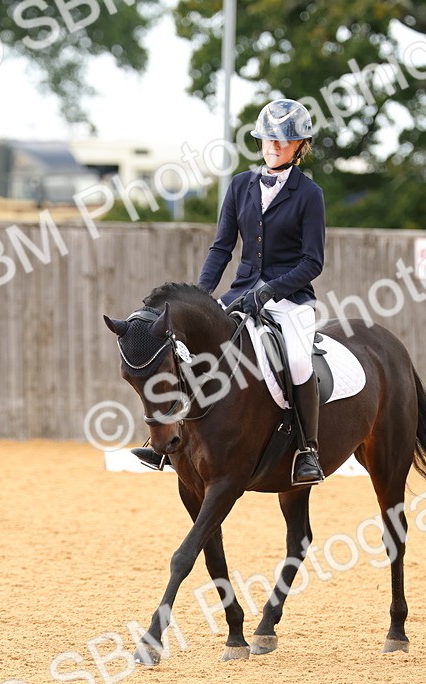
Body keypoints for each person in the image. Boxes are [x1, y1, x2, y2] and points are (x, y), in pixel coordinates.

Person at [135, 98, 326, 485]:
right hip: (239, 293)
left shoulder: (309, 194)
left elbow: (312, 262)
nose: (274, 146)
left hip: (289, 298)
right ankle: (171, 440)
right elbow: (222, 247)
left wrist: (270, 291)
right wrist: (199, 297)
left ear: (299, 146)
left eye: (283, 141)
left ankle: (307, 450)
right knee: (191, 351)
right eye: (268, 139)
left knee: (300, 362)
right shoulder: (241, 185)